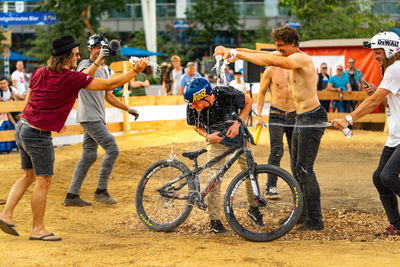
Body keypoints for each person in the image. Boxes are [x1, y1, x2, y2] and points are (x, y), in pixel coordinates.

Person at [0, 35, 148, 241]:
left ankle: (6, 214)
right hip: (38, 135)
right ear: (67, 56)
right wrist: (135, 71)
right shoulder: (70, 78)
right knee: (43, 180)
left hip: (24, 127)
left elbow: (31, 98)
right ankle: (37, 229)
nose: (78, 58)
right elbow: (107, 85)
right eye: (76, 55)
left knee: (28, 176)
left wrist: (96, 62)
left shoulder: (40, 71)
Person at [214, 25, 327, 231]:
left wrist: (236, 54)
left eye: (281, 46)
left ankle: (315, 220)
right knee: (296, 168)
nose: (279, 49)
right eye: (277, 46)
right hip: (300, 117)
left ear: (293, 44)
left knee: (304, 169)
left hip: (312, 117)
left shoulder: (301, 59)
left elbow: (270, 59)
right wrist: (230, 50)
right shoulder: (288, 55)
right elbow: (260, 54)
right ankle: (301, 216)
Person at [332, 31, 400, 236]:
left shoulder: (395, 69)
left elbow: (372, 103)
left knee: (388, 176)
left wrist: (348, 119)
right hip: (396, 136)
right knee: (379, 178)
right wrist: (377, 92)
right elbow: (388, 100)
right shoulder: (391, 70)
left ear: (390, 50)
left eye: (378, 52)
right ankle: (397, 225)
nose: (374, 56)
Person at [64, 33, 140, 207]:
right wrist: (98, 61)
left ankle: (71, 196)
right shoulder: (85, 64)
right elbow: (83, 77)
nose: (100, 51)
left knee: (89, 156)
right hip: (90, 118)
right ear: (90, 49)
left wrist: (127, 109)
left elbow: (108, 95)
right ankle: (101, 191)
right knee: (112, 148)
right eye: (97, 48)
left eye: (102, 47)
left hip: (95, 117)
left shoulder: (104, 70)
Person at [184, 77, 262, 233]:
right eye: (190, 103)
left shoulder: (227, 93)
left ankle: (254, 209)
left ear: (206, 95)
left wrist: (238, 122)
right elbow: (195, 125)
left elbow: (248, 102)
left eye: (195, 102)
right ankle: (214, 221)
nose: (192, 106)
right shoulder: (192, 105)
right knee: (215, 178)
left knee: (250, 172)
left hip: (239, 137)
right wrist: (208, 136)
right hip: (216, 140)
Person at [256, 66, 296, 200]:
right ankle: (271, 187)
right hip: (276, 115)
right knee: (277, 151)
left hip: (295, 115)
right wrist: (259, 115)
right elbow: (261, 93)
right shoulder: (271, 70)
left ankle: (299, 186)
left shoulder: (296, 69)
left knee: (296, 152)